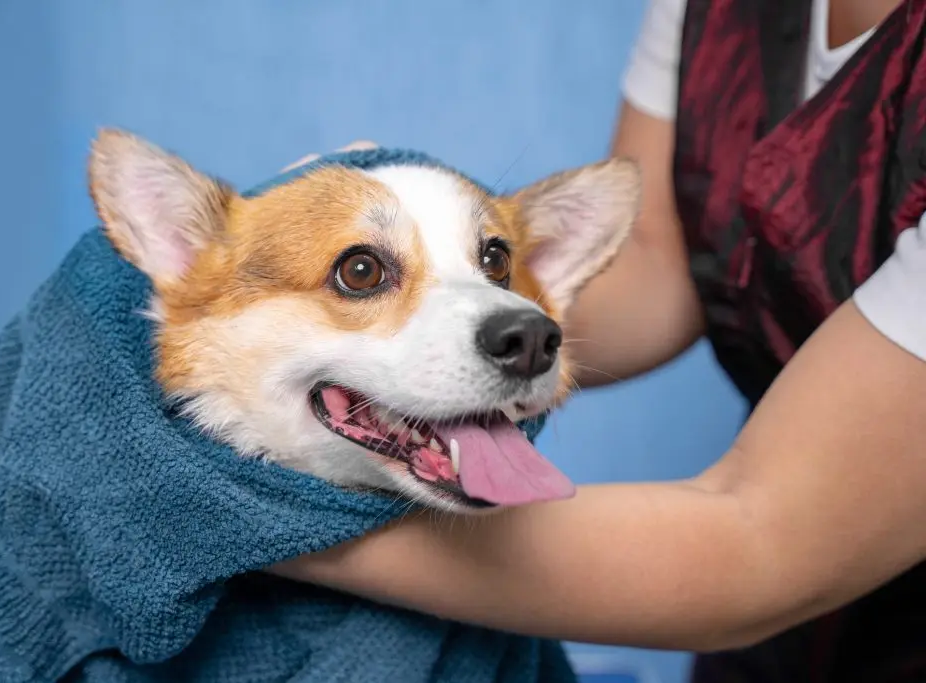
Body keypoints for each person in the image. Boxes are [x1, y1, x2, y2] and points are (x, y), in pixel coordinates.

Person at [271, 0, 926, 680]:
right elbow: (659, 257)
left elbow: (761, 536)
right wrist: (459, 297)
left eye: (497, 264)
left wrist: (256, 519)